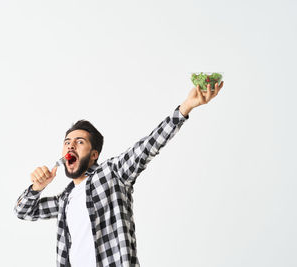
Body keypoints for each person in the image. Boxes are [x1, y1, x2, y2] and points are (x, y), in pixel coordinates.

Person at [14, 82, 224, 267]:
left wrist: (185, 108)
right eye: (67, 143)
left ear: (94, 154)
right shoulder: (64, 201)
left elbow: (147, 146)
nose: (71, 147)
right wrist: (37, 188)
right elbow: (22, 211)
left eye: (79, 142)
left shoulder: (112, 174)